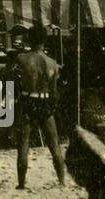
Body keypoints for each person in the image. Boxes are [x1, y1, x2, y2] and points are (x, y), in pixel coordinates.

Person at [7, 24, 67, 189]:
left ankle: (21, 183)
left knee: (24, 144)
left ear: (28, 39)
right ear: (45, 40)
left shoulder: (21, 59)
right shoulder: (52, 63)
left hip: (28, 101)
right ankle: (61, 181)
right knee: (54, 144)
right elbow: (55, 91)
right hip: (45, 101)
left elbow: (10, 80)